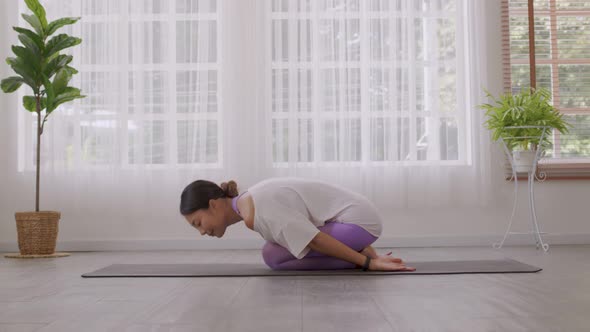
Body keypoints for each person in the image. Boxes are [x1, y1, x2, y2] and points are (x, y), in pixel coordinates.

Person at [179, 177, 415, 272]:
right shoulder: (249, 205)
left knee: (276, 257)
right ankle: (360, 252)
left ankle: (361, 256)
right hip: (348, 219)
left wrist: (368, 264)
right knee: (272, 253)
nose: (201, 231)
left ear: (213, 205)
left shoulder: (259, 210)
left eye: (198, 222)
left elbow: (314, 239)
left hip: (359, 223)